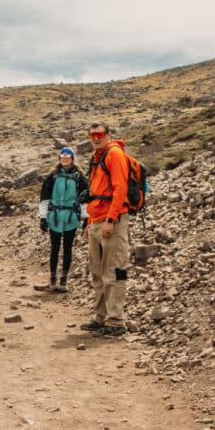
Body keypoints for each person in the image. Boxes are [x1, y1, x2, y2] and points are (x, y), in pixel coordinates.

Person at [79, 122, 132, 337]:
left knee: (113, 270)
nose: (95, 138)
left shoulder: (114, 155)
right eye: (91, 135)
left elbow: (120, 189)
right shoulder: (97, 158)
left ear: (109, 135)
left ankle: (116, 321)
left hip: (113, 219)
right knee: (97, 272)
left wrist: (111, 219)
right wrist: (89, 222)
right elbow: (96, 192)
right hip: (96, 218)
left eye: (99, 134)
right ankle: (100, 316)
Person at [39, 147, 89, 291]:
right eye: (63, 158)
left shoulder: (79, 177)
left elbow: (85, 199)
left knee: (67, 248)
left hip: (70, 217)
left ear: (72, 159)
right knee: (54, 248)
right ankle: (53, 280)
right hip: (54, 215)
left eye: (68, 158)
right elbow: (45, 197)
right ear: (59, 160)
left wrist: (86, 217)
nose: (65, 160)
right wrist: (43, 217)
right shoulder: (52, 176)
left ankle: (63, 281)